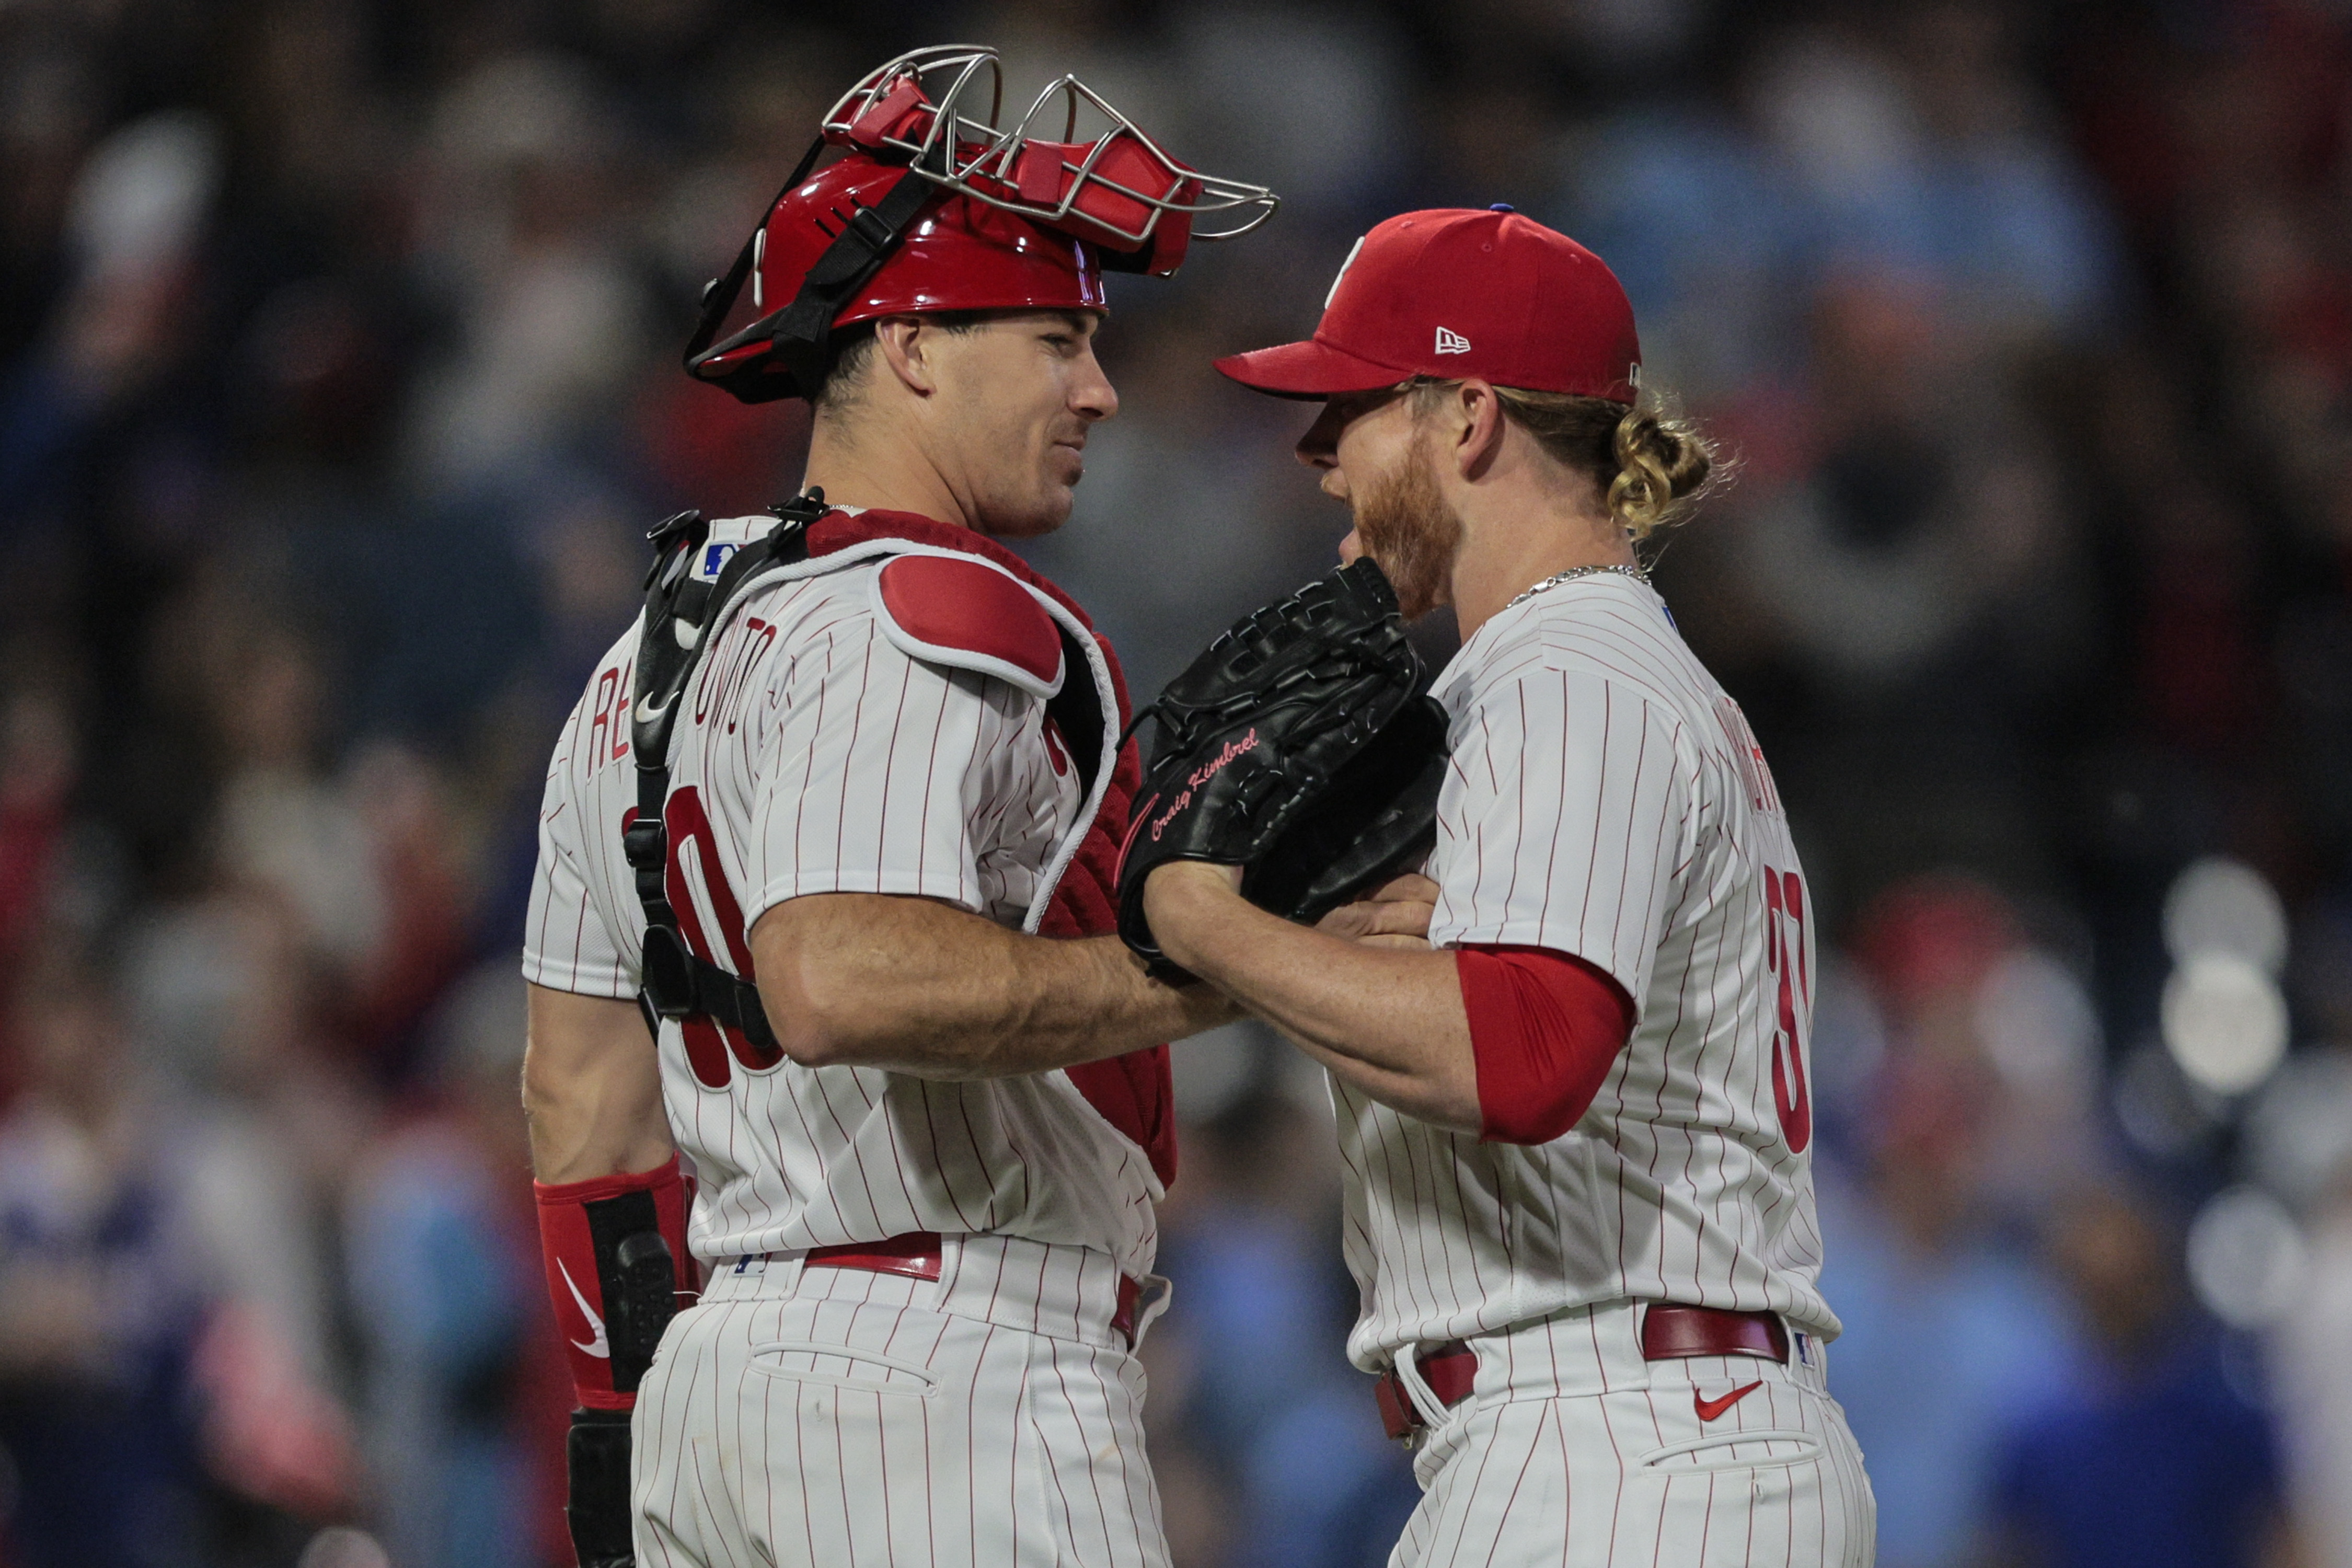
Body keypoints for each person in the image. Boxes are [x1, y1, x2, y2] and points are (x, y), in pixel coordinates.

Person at [518, 48, 1277, 1568]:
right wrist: (1213, 964)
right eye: (1057, 337)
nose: (1099, 388)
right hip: (948, 1386)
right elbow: (838, 973)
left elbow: (579, 1100)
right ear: (916, 344)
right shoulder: (931, 606)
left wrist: (623, 1436)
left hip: (718, 1391)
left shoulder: (638, 665)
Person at [1136, 206, 1876, 1565]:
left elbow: (1525, 1058)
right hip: (1624, 1433)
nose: (1317, 468)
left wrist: (1208, 924)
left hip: (1616, 1441)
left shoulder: (1566, 673)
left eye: (1347, 412)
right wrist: (1348, 959)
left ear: (1464, 417)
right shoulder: (1581, 674)